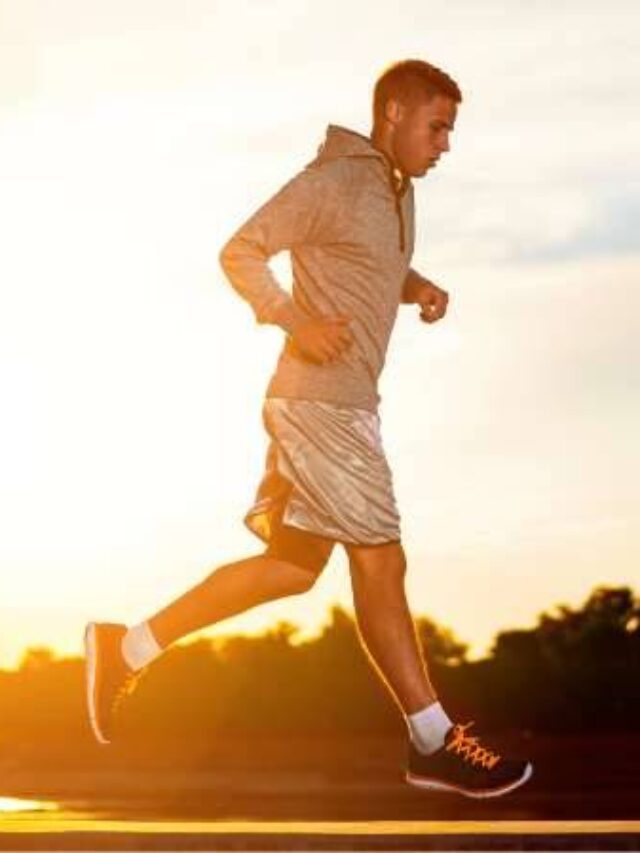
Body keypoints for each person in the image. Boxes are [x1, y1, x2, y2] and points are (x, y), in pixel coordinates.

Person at [84, 58, 533, 798]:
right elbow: (242, 250)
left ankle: (125, 646)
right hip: (322, 405)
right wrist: (294, 319)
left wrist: (415, 286)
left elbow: (369, 264)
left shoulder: (398, 192)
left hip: (338, 403)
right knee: (382, 562)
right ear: (392, 114)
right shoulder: (334, 179)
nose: (446, 143)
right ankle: (430, 737)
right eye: (438, 125)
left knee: (291, 570)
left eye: (451, 129)